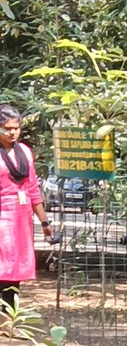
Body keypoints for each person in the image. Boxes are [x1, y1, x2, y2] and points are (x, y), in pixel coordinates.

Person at [0, 105, 53, 311]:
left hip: (21, 219)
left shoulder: (25, 152)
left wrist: (45, 223)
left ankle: (8, 320)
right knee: (3, 267)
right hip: (2, 217)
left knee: (14, 272)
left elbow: (32, 189)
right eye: (7, 128)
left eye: (16, 128)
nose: (12, 132)